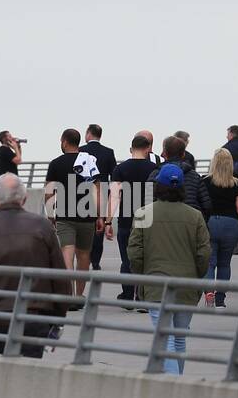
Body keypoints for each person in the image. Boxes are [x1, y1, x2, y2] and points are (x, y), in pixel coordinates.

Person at [0, 174, 71, 357]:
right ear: (24, 199)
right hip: (33, 320)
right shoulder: (42, 227)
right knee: (27, 380)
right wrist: (54, 321)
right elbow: (59, 278)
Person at [127, 165, 211, 375]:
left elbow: (135, 251)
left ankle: (175, 386)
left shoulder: (144, 213)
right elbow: (204, 254)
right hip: (187, 286)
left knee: (166, 340)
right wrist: (197, 276)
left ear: (158, 187)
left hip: (157, 286)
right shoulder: (195, 216)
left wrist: (141, 277)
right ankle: (178, 380)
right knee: (180, 339)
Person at [44, 128, 102, 302]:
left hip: (64, 215)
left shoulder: (56, 163)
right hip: (87, 215)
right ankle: (79, 295)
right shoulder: (89, 161)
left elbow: (48, 191)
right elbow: (97, 189)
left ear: (64, 142)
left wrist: (50, 215)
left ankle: (68, 295)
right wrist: (99, 216)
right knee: (84, 256)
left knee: (66, 253)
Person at [107, 134, 159, 309]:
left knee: (127, 259)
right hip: (149, 220)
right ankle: (143, 298)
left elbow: (114, 196)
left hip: (126, 221)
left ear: (132, 149)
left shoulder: (120, 169)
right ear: (147, 149)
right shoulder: (154, 168)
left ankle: (128, 295)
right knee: (147, 260)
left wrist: (108, 222)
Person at [202, 150, 238, 309]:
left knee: (210, 262)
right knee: (224, 264)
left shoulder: (205, 181)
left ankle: (209, 292)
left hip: (211, 223)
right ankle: (220, 300)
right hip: (231, 225)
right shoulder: (235, 183)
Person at [79, 124, 118, 270]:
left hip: (83, 193)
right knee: (98, 228)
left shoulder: (81, 150)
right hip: (102, 191)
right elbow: (113, 175)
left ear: (88, 134)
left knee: (83, 225)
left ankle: (84, 258)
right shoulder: (108, 152)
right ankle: (96, 261)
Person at [146, 135, 211, 218]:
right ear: (183, 154)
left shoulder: (155, 174)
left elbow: (147, 203)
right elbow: (206, 205)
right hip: (190, 221)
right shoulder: (195, 176)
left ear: (164, 153)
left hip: (162, 222)